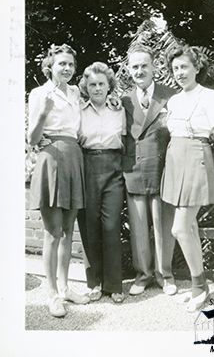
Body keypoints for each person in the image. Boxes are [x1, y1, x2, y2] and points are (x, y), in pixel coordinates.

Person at [161, 45, 214, 312]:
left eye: (184, 67)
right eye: (175, 68)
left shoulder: (210, 97)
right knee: (187, 229)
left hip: (198, 159)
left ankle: (200, 286)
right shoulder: (174, 101)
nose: (179, 72)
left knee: (178, 228)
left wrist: (213, 174)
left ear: (197, 67)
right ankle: (198, 284)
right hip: (175, 159)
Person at [28, 44, 90, 318]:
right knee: (53, 233)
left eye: (70, 65)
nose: (66, 68)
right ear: (50, 66)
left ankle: (65, 288)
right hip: (51, 157)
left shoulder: (76, 92)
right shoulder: (40, 93)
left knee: (68, 229)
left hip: (73, 156)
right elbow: (31, 139)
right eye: (61, 64)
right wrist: (43, 114)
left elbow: (99, 98)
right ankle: (51, 294)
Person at [122, 43, 177, 296]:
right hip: (133, 169)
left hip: (162, 169)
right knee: (139, 227)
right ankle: (142, 275)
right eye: (135, 66)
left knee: (163, 225)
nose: (140, 70)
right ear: (128, 70)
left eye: (144, 65)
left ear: (155, 67)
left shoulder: (170, 96)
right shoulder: (122, 101)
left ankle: (165, 275)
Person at [77, 62, 125, 304]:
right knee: (89, 226)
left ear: (109, 86)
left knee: (111, 225)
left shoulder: (119, 108)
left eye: (101, 84)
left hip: (113, 168)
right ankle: (94, 283)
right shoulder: (78, 110)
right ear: (86, 86)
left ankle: (115, 285)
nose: (97, 88)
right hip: (87, 166)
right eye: (92, 84)